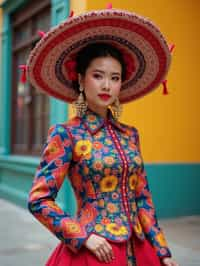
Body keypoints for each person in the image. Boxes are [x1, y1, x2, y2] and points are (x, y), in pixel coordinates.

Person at [27, 6, 179, 266]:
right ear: (81, 79)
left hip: (140, 249)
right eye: (98, 76)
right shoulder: (66, 134)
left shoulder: (130, 135)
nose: (107, 85)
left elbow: (143, 198)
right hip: (95, 251)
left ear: (121, 83)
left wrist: (162, 251)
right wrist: (83, 235)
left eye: (115, 77)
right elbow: (38, 200)